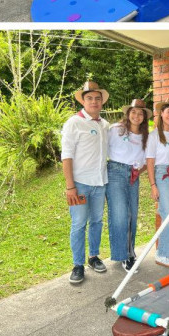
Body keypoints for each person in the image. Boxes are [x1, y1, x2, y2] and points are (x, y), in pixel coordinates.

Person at [61, 81, 111, 285]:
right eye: (89, 98)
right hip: (79, 184)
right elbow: (66, 155)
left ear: (102, 101)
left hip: (100, 183)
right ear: (83, 100)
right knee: (79, 223)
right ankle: (77, 264)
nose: (94, 102)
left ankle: (93, 257)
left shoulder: (105, 125)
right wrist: (70, 186)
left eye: (97, 98)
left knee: (97, 221)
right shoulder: (74, 123)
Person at [106, 98, 151, 272]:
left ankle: (129, 252)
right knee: (120, 214)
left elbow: (149, 160)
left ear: (144, 117)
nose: (136, 116)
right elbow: (101, 150)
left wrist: (138, 173)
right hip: (115, 172)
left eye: (140, 113)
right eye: (133, 112)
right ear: (128, 114)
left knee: (132, 214)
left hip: (133, 175)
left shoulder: (146, 136)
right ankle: (123, 255)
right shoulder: (116, 130)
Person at [145, 96, 169, 267]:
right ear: (161, 113)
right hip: (162, 174)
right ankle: (164, 253)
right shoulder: (153, 136)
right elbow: (150, 162)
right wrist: (153, 185)